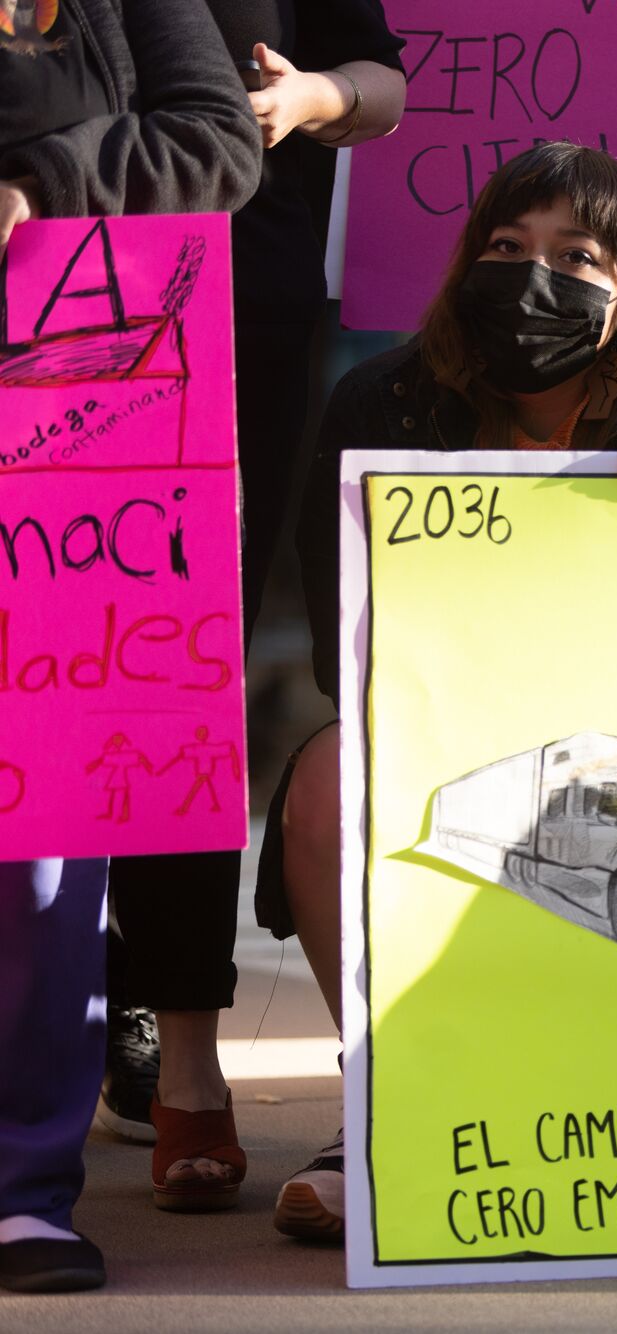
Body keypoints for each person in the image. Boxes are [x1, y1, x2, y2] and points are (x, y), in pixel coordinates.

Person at [258, 139, 617, 1240]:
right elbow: (342, 658)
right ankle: (388, 1091)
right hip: (457, 735)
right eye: (505, 247)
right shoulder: (388, 399)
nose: (531, 274)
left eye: (575, 254)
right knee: (324, 776)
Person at [96, 0, 407, 1220]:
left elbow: (382, 84)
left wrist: (305, 100)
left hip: (220, 312)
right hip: (31, 296)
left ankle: (178, 1048)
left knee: (175, 674)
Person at [0, 0, 261, 1293]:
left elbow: (217, 142)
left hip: (63, 444)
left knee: (42, 856)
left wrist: (38, 185)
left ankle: (20, 1185)